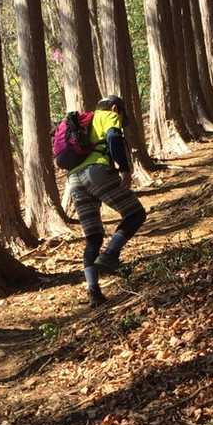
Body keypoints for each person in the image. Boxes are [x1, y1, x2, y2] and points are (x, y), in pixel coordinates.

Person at [66, 95, 147, 307]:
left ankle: (93, 291)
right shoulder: (108, 115)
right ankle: (110, 254)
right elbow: (113, 137)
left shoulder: (86, 122)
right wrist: (125, 169)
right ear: (114, 108)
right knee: (136, 214)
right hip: (95, 173)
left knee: (93, 237)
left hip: (74, 180)